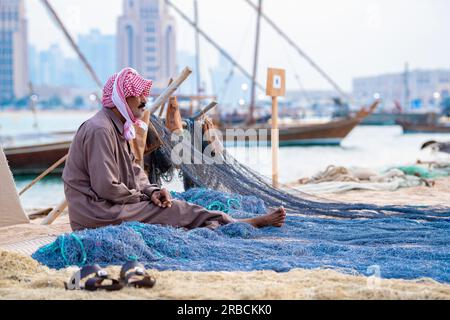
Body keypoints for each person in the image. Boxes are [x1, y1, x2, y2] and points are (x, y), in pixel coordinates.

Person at [62, 68, 286, 231]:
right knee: (176, 210)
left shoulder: (118, 128)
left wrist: (152, 191)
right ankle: (236, 223)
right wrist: (143, 198)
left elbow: (134, 171)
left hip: (110, 206)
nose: (144, 100)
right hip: (97, 214)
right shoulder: (100, 129)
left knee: (174, 207)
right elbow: (106, 187)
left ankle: (223, 221)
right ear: (121, 98)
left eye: (144, 95)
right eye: (138, 95)